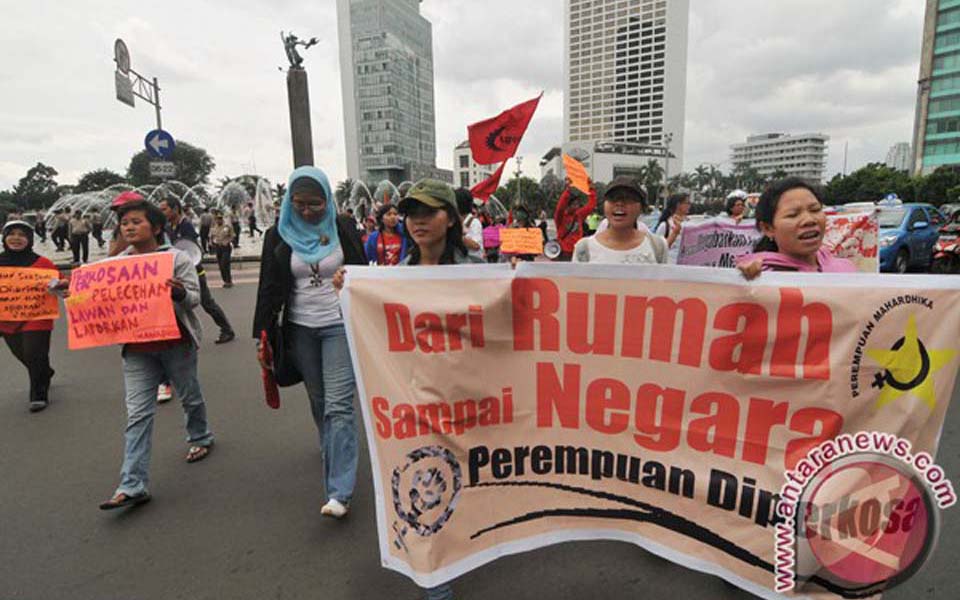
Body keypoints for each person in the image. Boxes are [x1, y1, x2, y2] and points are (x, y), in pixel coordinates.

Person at [333, 179, 476, 600]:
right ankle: (435, 576)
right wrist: (350, 293)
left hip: (469, 395)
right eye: (411, 212)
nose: (417, 220)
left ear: (450, 218)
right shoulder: (394, 276)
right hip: (414, 395)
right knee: (431, 483)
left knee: (468, 483)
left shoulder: (479, 269)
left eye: (429, 211)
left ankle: (467, 549)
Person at [253, 166, 366, 519]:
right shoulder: (278, 235)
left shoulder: (344, 227)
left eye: (315, 204)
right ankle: (331, 446)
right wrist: (262, 335)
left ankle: (339, 491)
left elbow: (364, 271)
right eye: (299, 204)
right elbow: (268, 286)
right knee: (319, 401)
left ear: (327, 200)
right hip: (300, 329)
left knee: (339, 406)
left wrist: (351, 279)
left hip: (339, 325)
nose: (306, 211)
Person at [97, 201, 215, 510]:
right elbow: (99, 298)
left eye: (136, 221)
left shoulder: (176, 259)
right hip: (137, 350)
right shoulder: (114, 266)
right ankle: (132, 483)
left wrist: (177, 293)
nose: (129, 227)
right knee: (138, 414)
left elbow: (194, 298)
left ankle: (200, 435)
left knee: (189, 395)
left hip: (176, 343)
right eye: (124, 223)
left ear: (157, 227)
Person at [737, 177, 856, 278]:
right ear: (768, 228)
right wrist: (744, 285)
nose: (809, 220)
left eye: (815, 210)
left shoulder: (846, 271)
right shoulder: (758, 276)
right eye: (793, 215)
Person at [158, 196, 236, 345]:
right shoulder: (169, 227)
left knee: (207, 303)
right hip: (179, 272)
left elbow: (192, 248)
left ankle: (227, 330)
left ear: (175, 209)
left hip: (195, 272)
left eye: (164, 209)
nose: (162, 213)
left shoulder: (186, 225)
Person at [0, 221, 58, 412]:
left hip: (37, 316)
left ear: (30, 239)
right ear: (4, 237)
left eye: (22, 235)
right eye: (12, 234)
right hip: (7, 319)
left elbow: (57, 284)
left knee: (34, 353)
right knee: (22, 354)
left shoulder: (43, 263)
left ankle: (38, 393)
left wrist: (60, 286)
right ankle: (45, 372)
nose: (16, 238)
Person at [572, 176, 668, 265]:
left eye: (628, 199)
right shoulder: (584, 249)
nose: (619, 203)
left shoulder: (657, 246)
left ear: (641, 208)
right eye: (612, 198)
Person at [554, 179, 597, 261]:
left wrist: (591, 190)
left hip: (578, 251)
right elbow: (560, 208)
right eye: (574, 204)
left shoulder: (579, 215)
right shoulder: (560, 217)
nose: (576, 206)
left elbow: (591, 206)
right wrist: (567, 191)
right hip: (564, 252)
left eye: (577, 204)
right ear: (568, 205)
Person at [654, 192, 691, 264]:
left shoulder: (690, 224)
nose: (689, 205)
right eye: (687, 203)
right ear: (678, 205)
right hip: (670, 267)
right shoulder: (665, 225)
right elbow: (657, 250)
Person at [455, 188, 484, 261]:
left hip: (473, 262)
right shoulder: (454, 220)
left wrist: (455, 237)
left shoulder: (474, 222)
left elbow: (476, 245)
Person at [210, 211, 236, 288]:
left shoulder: (227, 227)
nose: (219, 220)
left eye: (220, 218)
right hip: (218, 248)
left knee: (225, 263)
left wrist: (228, 241)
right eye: (217, 219)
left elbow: (233, 236)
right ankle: (226, 281)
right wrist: (211, 242)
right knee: (221, 266)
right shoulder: (214, 227)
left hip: (226, 247)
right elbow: (211, 237)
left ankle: (228, 281)